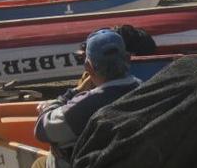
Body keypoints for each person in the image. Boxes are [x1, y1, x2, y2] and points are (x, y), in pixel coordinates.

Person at [32, 29, 141, 168]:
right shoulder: (144, 89)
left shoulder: (86, 106)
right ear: (127, 58)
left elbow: (42, 130)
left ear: (88, 67)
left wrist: (72, 93)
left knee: (40, 164)